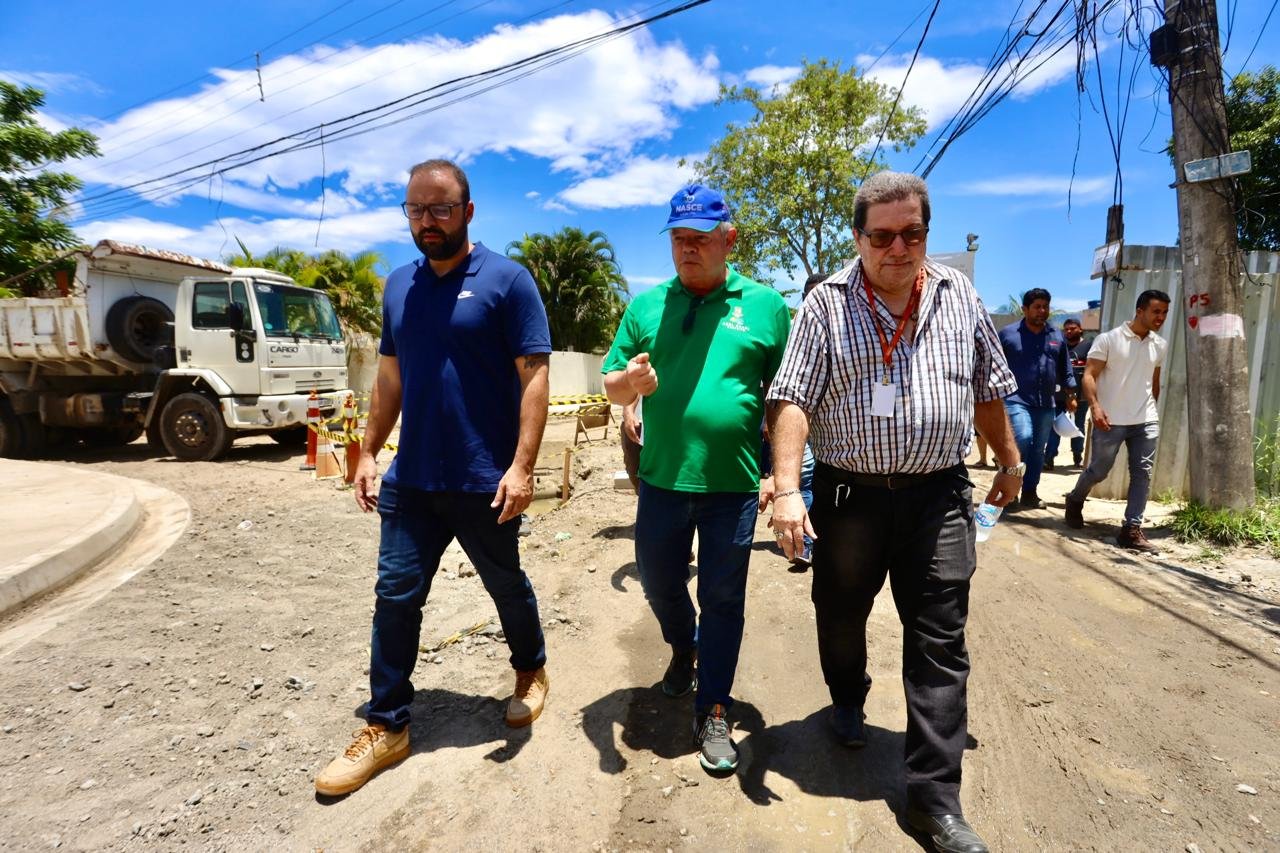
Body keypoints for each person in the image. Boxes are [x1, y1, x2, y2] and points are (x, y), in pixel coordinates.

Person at [767, 171, 1021, 853]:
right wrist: (788, 486)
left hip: (939, 494)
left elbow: (988, 386)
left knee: (941, 640)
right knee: (841, 612)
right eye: (882, 235)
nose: (899, 247)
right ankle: (847, 692)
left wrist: (1010, 458)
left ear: (926, 233)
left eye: (912, 232)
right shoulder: (825, 305)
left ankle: (934, 801)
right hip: (850, 497)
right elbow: (791, 397)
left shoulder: (958, 295)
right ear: (860, 238)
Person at [315, 159, 552, 797]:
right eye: (416, 210)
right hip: (414, 479)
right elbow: (389, 377)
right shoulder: (399, 286)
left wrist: (523, 465)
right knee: (394, 595)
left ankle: (531, 670)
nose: (428, 221)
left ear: (468, 212)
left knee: (506, 583)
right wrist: (367, 452)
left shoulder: (508, 280)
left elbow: (534, 375)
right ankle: (387, 724)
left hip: (484, 478)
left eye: (440, 208)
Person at [602, 184, 790, 773]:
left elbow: (786, 398)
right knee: (659, 582)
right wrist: (631, 385)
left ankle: (713, 707)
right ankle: (683, 647)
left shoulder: (764, 306)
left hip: (732, 487)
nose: (688, 250)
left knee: (724, 599)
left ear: (728, 240)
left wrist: (777, 475)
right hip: (661, 481)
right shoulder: (647, 305)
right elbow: (609, 385)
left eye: (700, 239)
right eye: (679, 239)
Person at [1064, 290, 1171, 551]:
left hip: (1145, 420)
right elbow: (1089, 375)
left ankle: (1131, 529)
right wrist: (1096, 408)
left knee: (1142, 473)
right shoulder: (1109, 339)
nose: (1161, 317)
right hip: (1110, 419)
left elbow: (1153, 383)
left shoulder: (1160, 345)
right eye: (1156, 311)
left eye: (1165, 313)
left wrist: (1150, 410)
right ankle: (1075, 499)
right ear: (1140, 311)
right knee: (1099, 470)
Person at [997, 289, 1076, 509]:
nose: (1042, 311)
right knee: (1022, 438)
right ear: (1025, 309)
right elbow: (993, 365)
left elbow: (1065, 367)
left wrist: (1071, 394)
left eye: (1045, 306)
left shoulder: (1056, 336)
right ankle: (1010, 491)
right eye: (1037, 307)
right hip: (1015, 398)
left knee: (1038, 450)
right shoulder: (1008, 334)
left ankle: (1030, 492)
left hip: (1046, 403)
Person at [1044, 318, 1090, 468]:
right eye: (1066, 329)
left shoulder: (1088, 346)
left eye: (1072, 328)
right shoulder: (1059, 345)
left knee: (1078, 426)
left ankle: (1077, 455)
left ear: (1080, 329)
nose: (1069, 332)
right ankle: (1049, 458)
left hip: (1082, 396)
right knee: (1055, 426)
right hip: (1059, 395)